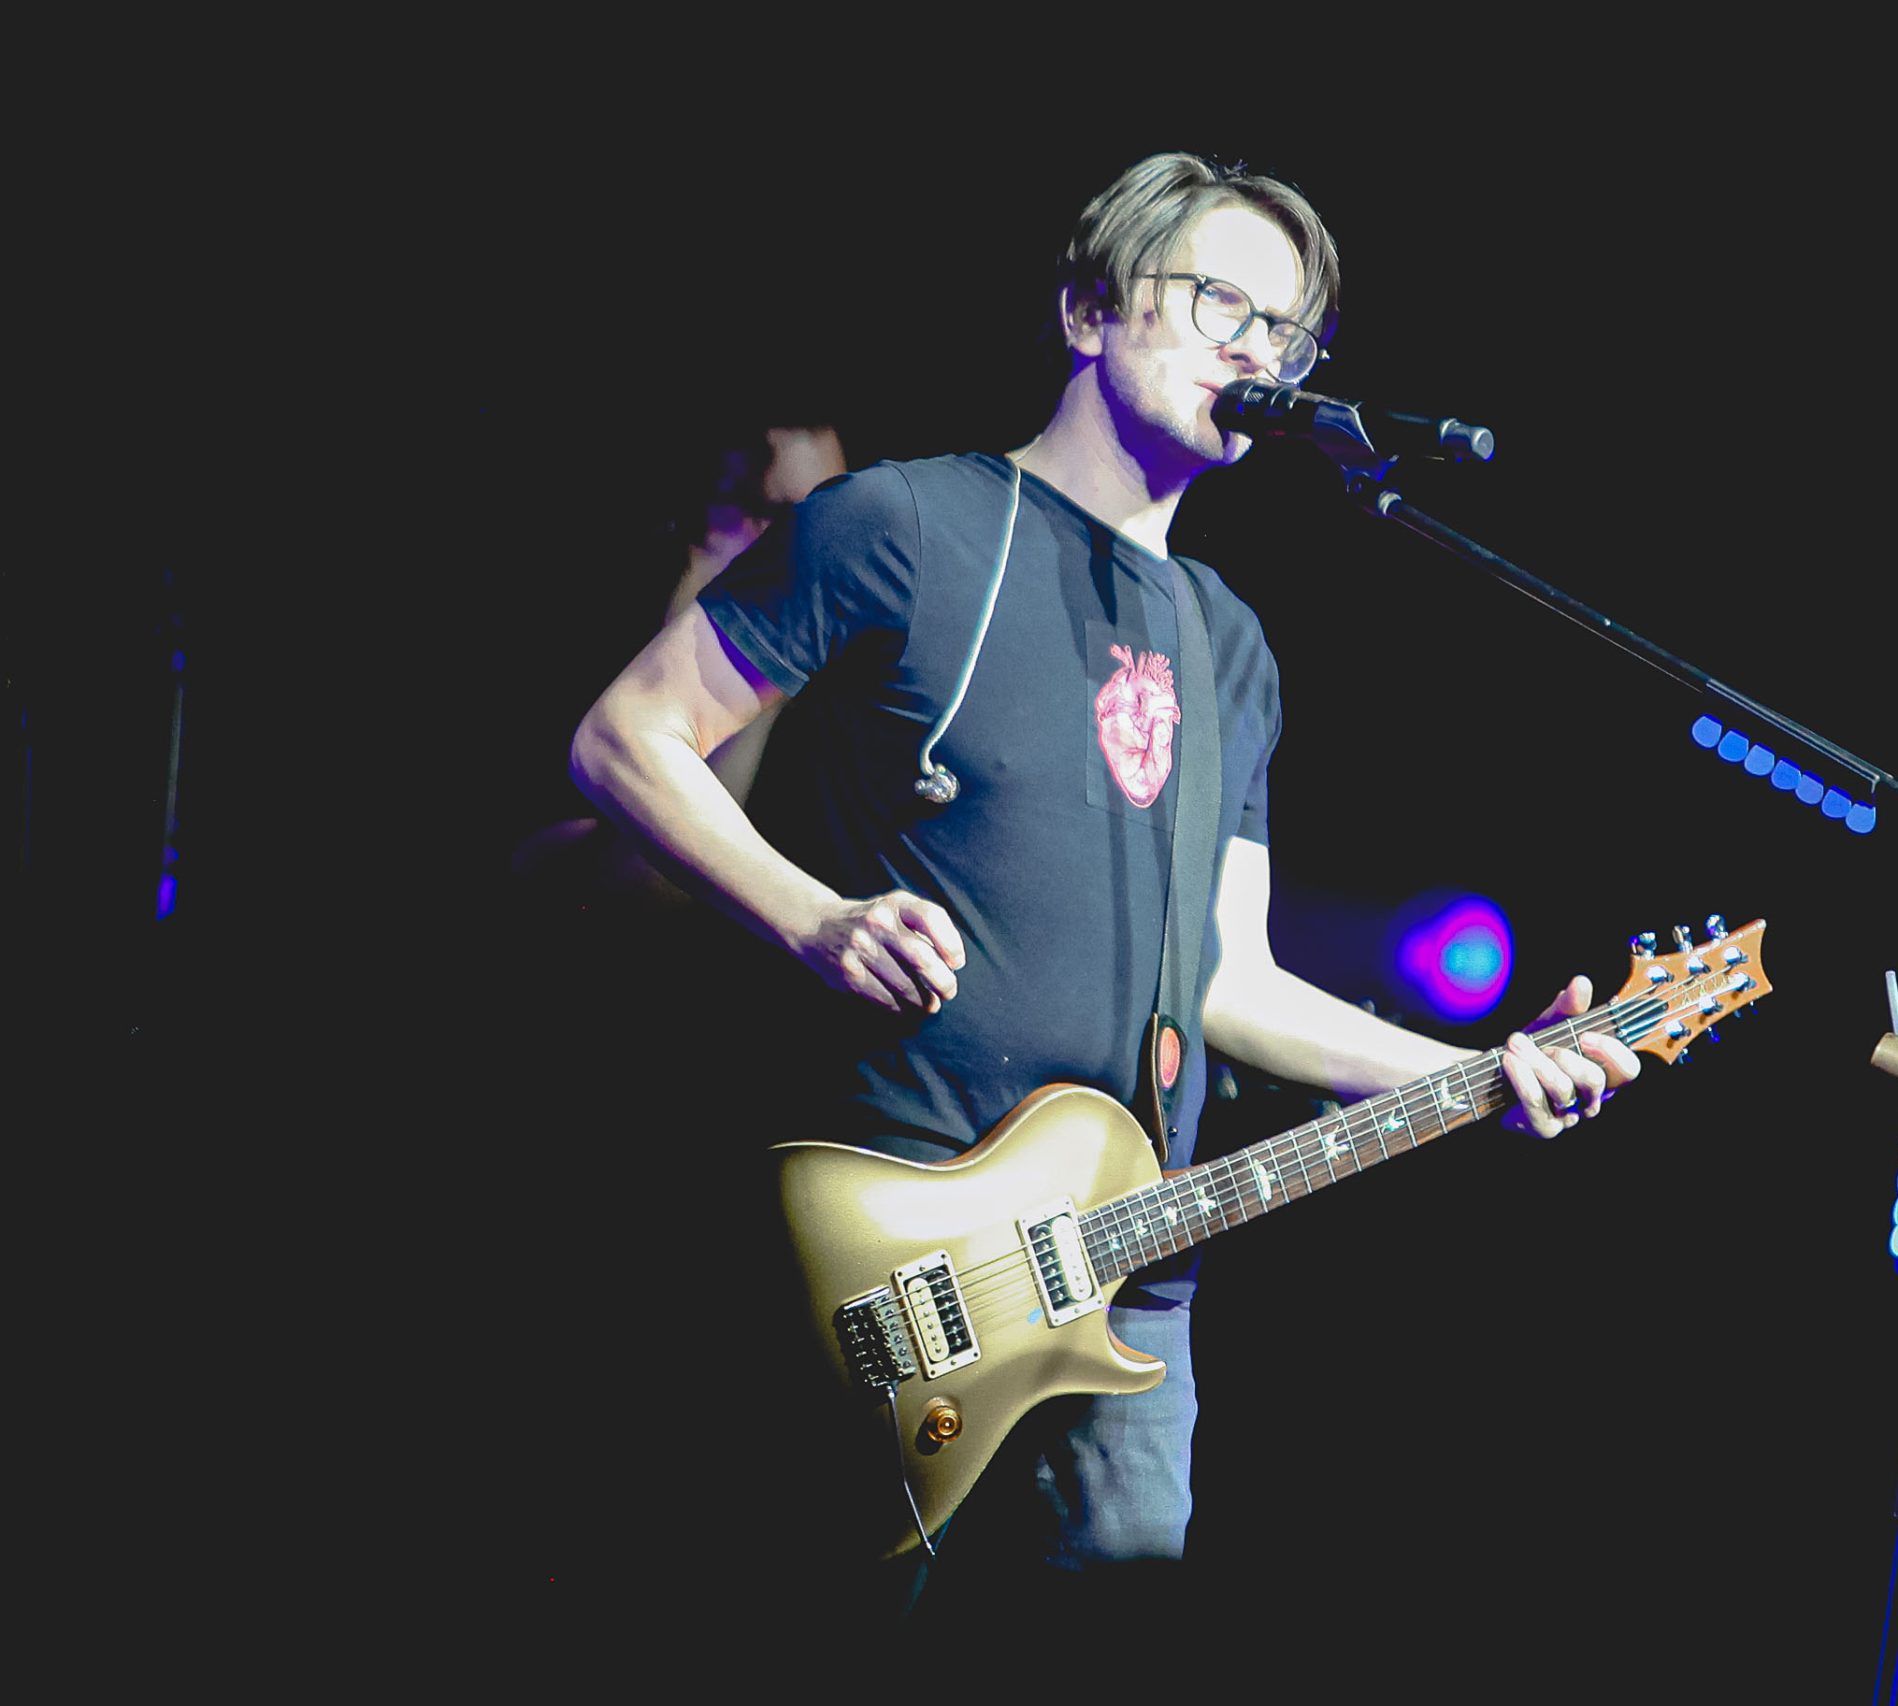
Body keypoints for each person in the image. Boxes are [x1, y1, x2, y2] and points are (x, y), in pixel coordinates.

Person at [566, 151, 1640, 1625]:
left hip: (1132, 1296)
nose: (1256, 353)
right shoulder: (905, 525)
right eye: (1218, 303)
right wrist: (815, 916)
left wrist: (1479, 1071)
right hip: (904, 1248)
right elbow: (627, 737)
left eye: (1287, 333)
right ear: (1086, 308)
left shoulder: (1229, 644)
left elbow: (1231, 981)